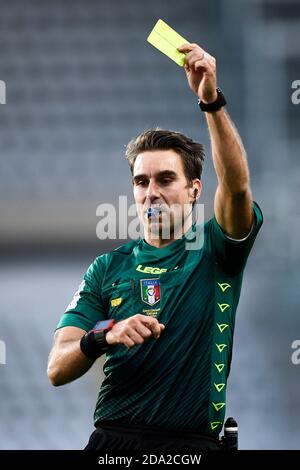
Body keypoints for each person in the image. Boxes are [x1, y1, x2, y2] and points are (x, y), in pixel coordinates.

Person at [47, 42, 263, 451]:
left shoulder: (217, 250)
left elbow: (237, 188)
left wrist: (211, 103)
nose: (151, 192)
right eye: (141, 182)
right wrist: (106, 335)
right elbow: (57, 367)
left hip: (190, 447)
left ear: (194, 189)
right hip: (113, 445)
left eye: (165, 179)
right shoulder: (108, 268)